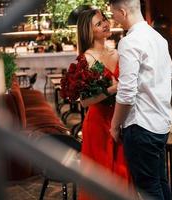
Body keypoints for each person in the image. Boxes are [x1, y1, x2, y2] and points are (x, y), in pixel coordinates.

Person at [109, 0, 172, 199]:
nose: (113, 18)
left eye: (113, 14)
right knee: (160, 181)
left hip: (141, 126)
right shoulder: (159, 38)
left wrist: (114, 125)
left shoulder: (129, 42)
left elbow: (127, 92)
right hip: (162, 124)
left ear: (122, 11)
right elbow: (169, 74)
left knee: (148, 189)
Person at [76, 9, 132, 200]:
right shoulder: (86, 59)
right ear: (88, 31)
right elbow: (84, 101)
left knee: (121, 175)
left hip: (120, 120)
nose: (106, 24)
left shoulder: (118, 52)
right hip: (98, 125)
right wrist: (112, 89)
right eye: (99, 23)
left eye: (105, 19)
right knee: (101, 181)